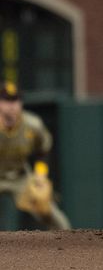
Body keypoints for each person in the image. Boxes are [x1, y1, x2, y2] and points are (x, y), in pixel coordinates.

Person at [0, 82, 71, 230]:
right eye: (7, 101)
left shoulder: (32, 125)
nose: (12, 105)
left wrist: (40, 174)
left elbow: (44, 150)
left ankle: (72, 247)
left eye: (15, 100)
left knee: (49, 212)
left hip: (19, 177)